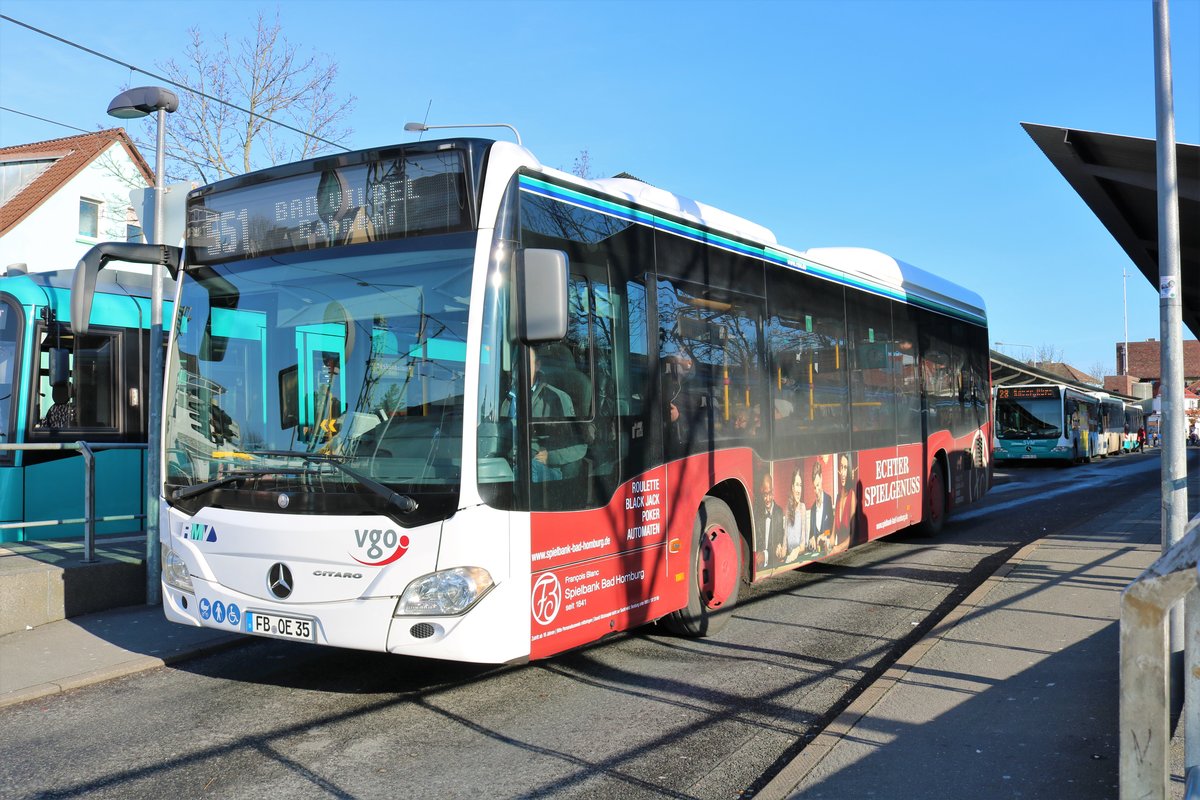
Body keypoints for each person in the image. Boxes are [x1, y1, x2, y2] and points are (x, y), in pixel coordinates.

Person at [528, 347, 585, 482]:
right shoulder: (507, 398)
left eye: (525, 362)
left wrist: (550, 457)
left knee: (530, 467)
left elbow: (580, 446)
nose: (518, 369)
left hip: (546, 467)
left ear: (537, 365)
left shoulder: (557, 398)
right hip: (513, 461)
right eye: (515, 364)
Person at [757, 472, 785, 569]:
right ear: (761, 493)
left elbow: (778, 541)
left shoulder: (779, 513)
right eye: (765, 494)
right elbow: (757, 540)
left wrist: (765, 555)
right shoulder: (758, 513)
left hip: (773, 565)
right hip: (759, 566)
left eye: (769, 494)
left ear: (773, 492)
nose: (767, 499)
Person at [782, 466, 809, 563]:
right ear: (792, 487)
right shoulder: (787, 509)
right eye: (797, 485)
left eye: (800, 485)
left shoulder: (803, 508)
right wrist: (781, 551)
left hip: (799, 558)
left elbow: (803, 544)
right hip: (788, 559)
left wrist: (796, 551)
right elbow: (785, 542)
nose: (799, 490)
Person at [808, 458, 834, 553]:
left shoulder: (828, 500)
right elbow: (811, 536)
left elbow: (831, 529)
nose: (816, 490)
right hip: (816, 555)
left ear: (822, 478)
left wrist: (824, 534)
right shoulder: (812, 510)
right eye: (814, 487)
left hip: (828, 552)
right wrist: (811, 540)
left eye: (818, 485)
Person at [833, 453, 857, 549]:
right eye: (841, 467)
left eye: (846, 468)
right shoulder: (838, 497)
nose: (842, 473)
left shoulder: (852, 496)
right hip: (839, 553)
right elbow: (832, 536)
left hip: (848, 552)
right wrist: (825, 541)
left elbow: (853, 537)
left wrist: (838, 548)